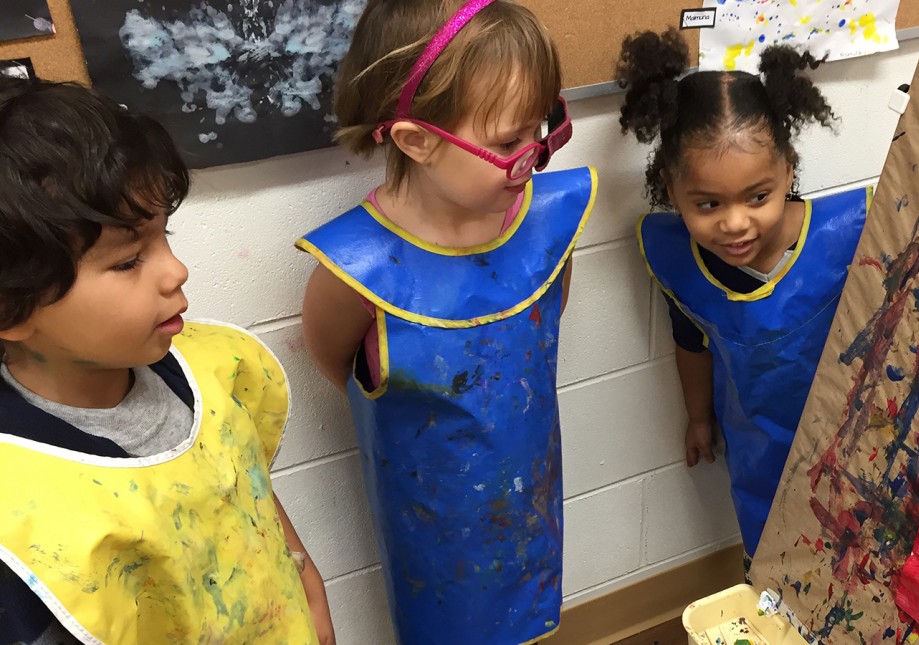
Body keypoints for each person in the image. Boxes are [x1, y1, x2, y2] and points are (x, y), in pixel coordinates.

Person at [296, 0, 594, 642]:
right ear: (417, 140)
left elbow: (540, 334)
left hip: (530, 503)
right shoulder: (356, 270)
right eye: (509, 142)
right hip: (430, 533)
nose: (535, 154)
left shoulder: (549, 229)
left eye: (542, 129)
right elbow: (340, 367)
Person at [0, 77, 333, 645]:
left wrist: (306, 582)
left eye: (163, 236)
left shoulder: (216, 368)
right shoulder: (19, 502)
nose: (176, 270)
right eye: (129, 260)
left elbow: (244, 486)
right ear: (13, 308)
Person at [619, 29, 868, 564]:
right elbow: (690, 340)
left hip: (855, 439)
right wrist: (698, 418)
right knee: (777, 561)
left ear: (787, 171)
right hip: (758, 452)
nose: (735, 223)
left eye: (759, 196)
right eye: (707, 204)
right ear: (671, 187)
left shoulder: (853, 231)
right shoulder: (679, 261)